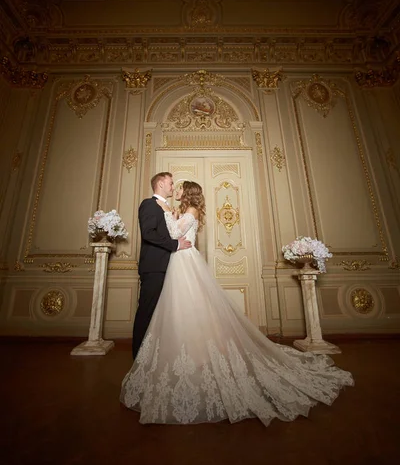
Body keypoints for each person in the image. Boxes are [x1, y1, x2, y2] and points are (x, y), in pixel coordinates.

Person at [121, 181, 354, 427]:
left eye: (179, 189)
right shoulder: (184, 211)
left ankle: (199, 358)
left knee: (191, 309)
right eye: (173, 186)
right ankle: (188, 357)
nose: (175, 190)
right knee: (183, 312)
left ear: (187, 193)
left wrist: (168, 213)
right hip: (178, 262)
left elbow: (174, 233)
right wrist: (171, 213)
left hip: (184, 262)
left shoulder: (190, 212)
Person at [131, 172, 191, 359]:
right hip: (154, 267)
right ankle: (138, 358)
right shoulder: (149, 204)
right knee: (147, 312)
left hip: (170, 267)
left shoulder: (165, 207)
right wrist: (175, 245)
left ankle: (156, 356)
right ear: (160, 184)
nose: (173, 187)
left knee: (164, 315)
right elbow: (148, 233)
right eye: (171, 183)